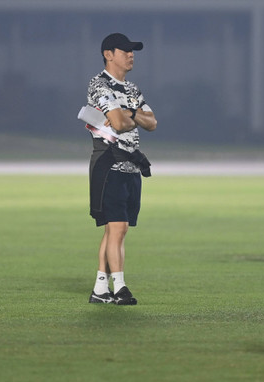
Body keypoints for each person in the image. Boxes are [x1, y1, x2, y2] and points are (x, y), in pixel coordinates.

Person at [85, 33, 157, 305]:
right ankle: (120, 287)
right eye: (125, 50)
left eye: (133, 51)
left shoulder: (132, 88)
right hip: (109, 163)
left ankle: (100, 289)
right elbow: (117, 122)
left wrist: (126, 111)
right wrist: (130, 113)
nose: (131, 54)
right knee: (117, 227)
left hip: (130, 166)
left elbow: (152, 123)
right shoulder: (99, 85)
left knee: (116, 229)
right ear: (108, 54)